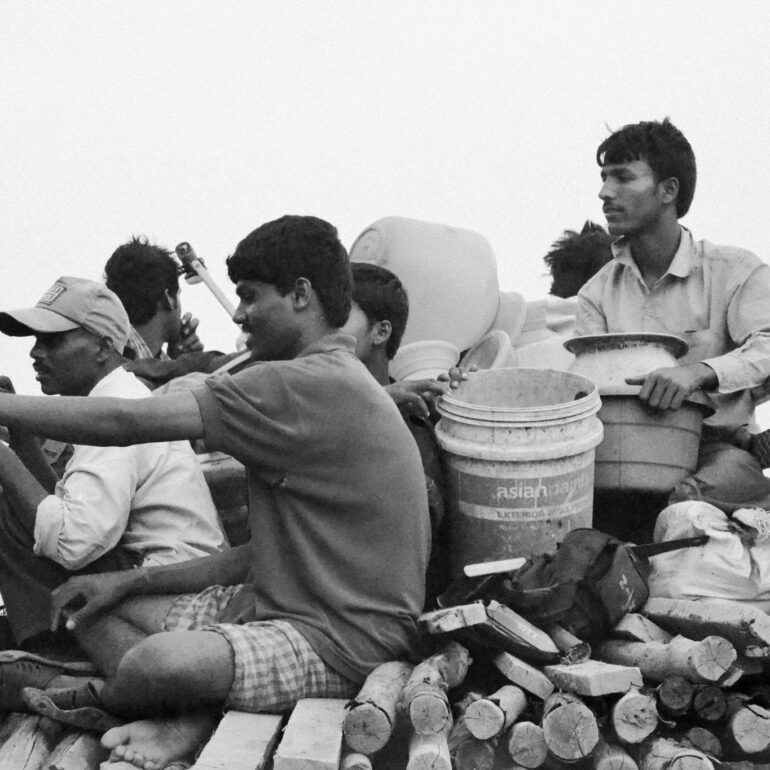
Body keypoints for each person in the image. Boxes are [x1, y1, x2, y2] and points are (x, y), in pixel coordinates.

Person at [0, 217, 430, 770]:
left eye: (251, 297)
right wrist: (128, 580)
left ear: (301, 295)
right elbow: (257, 555)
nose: (238, 313)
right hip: (277, 604)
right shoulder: (324, 378)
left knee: (160, 664)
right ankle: (180, 699)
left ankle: (133, 703)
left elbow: (124, 422)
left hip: (342, 643)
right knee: (90, 607)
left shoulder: (302, 382)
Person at [0, 277, 228, 667]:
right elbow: (68, 506)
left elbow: (74, 541)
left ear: (105, 346)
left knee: (4, 505)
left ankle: (55, 654)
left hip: (167, 591)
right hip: (163, 574)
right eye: (35, 342)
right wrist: (19, 435)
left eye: (53, 341)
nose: (36, 353)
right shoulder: (116, 395)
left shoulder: (117, 404)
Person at [576, 118, 770, 521]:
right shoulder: (596, 294)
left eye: (622, 178)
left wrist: (697, 372)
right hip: (619, 456)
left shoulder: (734, 271)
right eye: (604, 178)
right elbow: (584, 389)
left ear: (668, 190)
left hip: (717, 448)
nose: (604, 193)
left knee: (684, 509)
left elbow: (767, 345)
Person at [342, 262, 451, 602]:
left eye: (338, 316)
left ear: (381, 332)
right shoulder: (301, 407)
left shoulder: (414, 428)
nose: (321, 332)